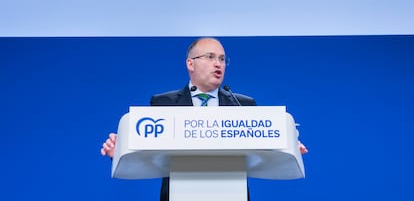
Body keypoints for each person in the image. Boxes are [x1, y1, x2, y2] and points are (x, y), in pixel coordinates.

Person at [100, 37, 308, 200]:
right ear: (190, 64)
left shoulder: (243, 105)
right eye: (210, 57)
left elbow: (261, 150)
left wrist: (287, 146)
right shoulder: (163, 103)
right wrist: (119, 149)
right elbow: (149, 151)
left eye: (222, 58)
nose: (218, 64)